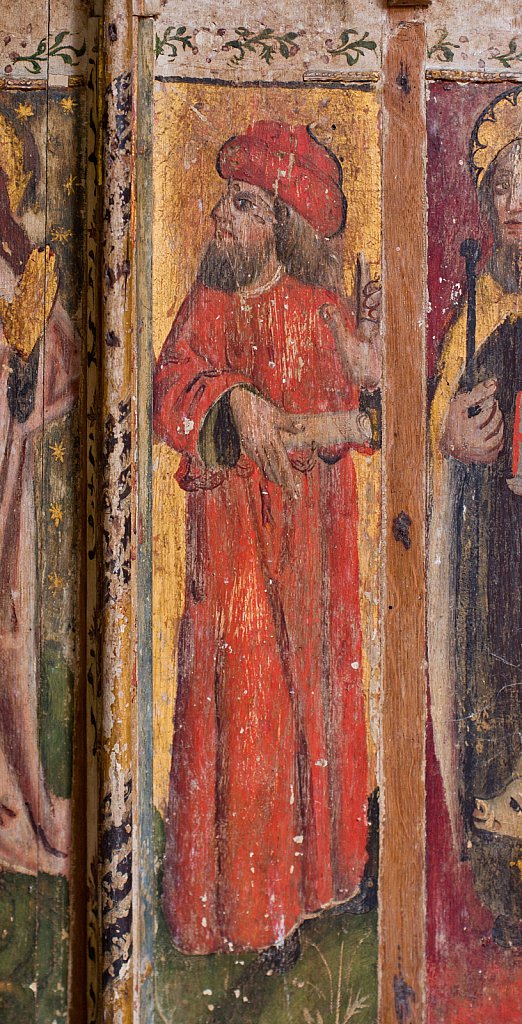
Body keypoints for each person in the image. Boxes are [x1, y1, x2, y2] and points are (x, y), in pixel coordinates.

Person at [153, 121, 381, 962]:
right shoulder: (209, 302)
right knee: (242, 715)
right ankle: (243, 913)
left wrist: (338, 401)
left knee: (310, 711)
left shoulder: (323, 311)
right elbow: (168, 385)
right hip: (233, 550)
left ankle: (310, 891)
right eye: (224, 199)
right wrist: (229, 403)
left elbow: (370, 418)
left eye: (242, 203)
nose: (218, 215)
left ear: (279, 221)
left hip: (312, 548)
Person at [429, 85, 522, 945]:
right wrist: (452, 437)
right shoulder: (480, 303)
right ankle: (506, 894)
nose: (516, 200)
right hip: (500, 551)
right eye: (501, 183)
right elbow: (439, 424)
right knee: (496, 700)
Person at [0, 109, 79, 876]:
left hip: (8, 477)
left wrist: (32, 330)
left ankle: (19, 804)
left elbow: (57, 370)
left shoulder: (21, 264)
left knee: (12, 632)